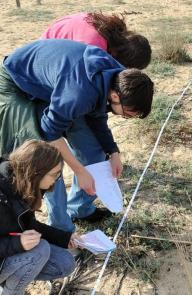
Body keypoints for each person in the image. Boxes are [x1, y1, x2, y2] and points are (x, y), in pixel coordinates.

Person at [0, 38, 154, 232]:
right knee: (48, 161)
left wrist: (113, 151)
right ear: (115, 96)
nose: (128, 117)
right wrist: (80, 171)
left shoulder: (119, 77)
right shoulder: (79, 94)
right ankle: (61, 229)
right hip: (16, 81)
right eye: (128, 114)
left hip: (56, 89)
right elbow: (50, 133)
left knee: (94, 151)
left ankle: (79, 209)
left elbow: (97, 117)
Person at [0, 140, 78, 295]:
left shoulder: (23, 183)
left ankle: (10, 281)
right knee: (40, 250)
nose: (56, 180)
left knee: (64, 263)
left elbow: (29, 225)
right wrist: (18, 243)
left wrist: (64, 238)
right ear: (36, 172)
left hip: (6, 252)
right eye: (55, 175)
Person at [41, 12, 152, 69]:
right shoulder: (94, 46)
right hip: (41, 62)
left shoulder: (108, 29)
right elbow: (79, 81)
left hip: (48, 49)